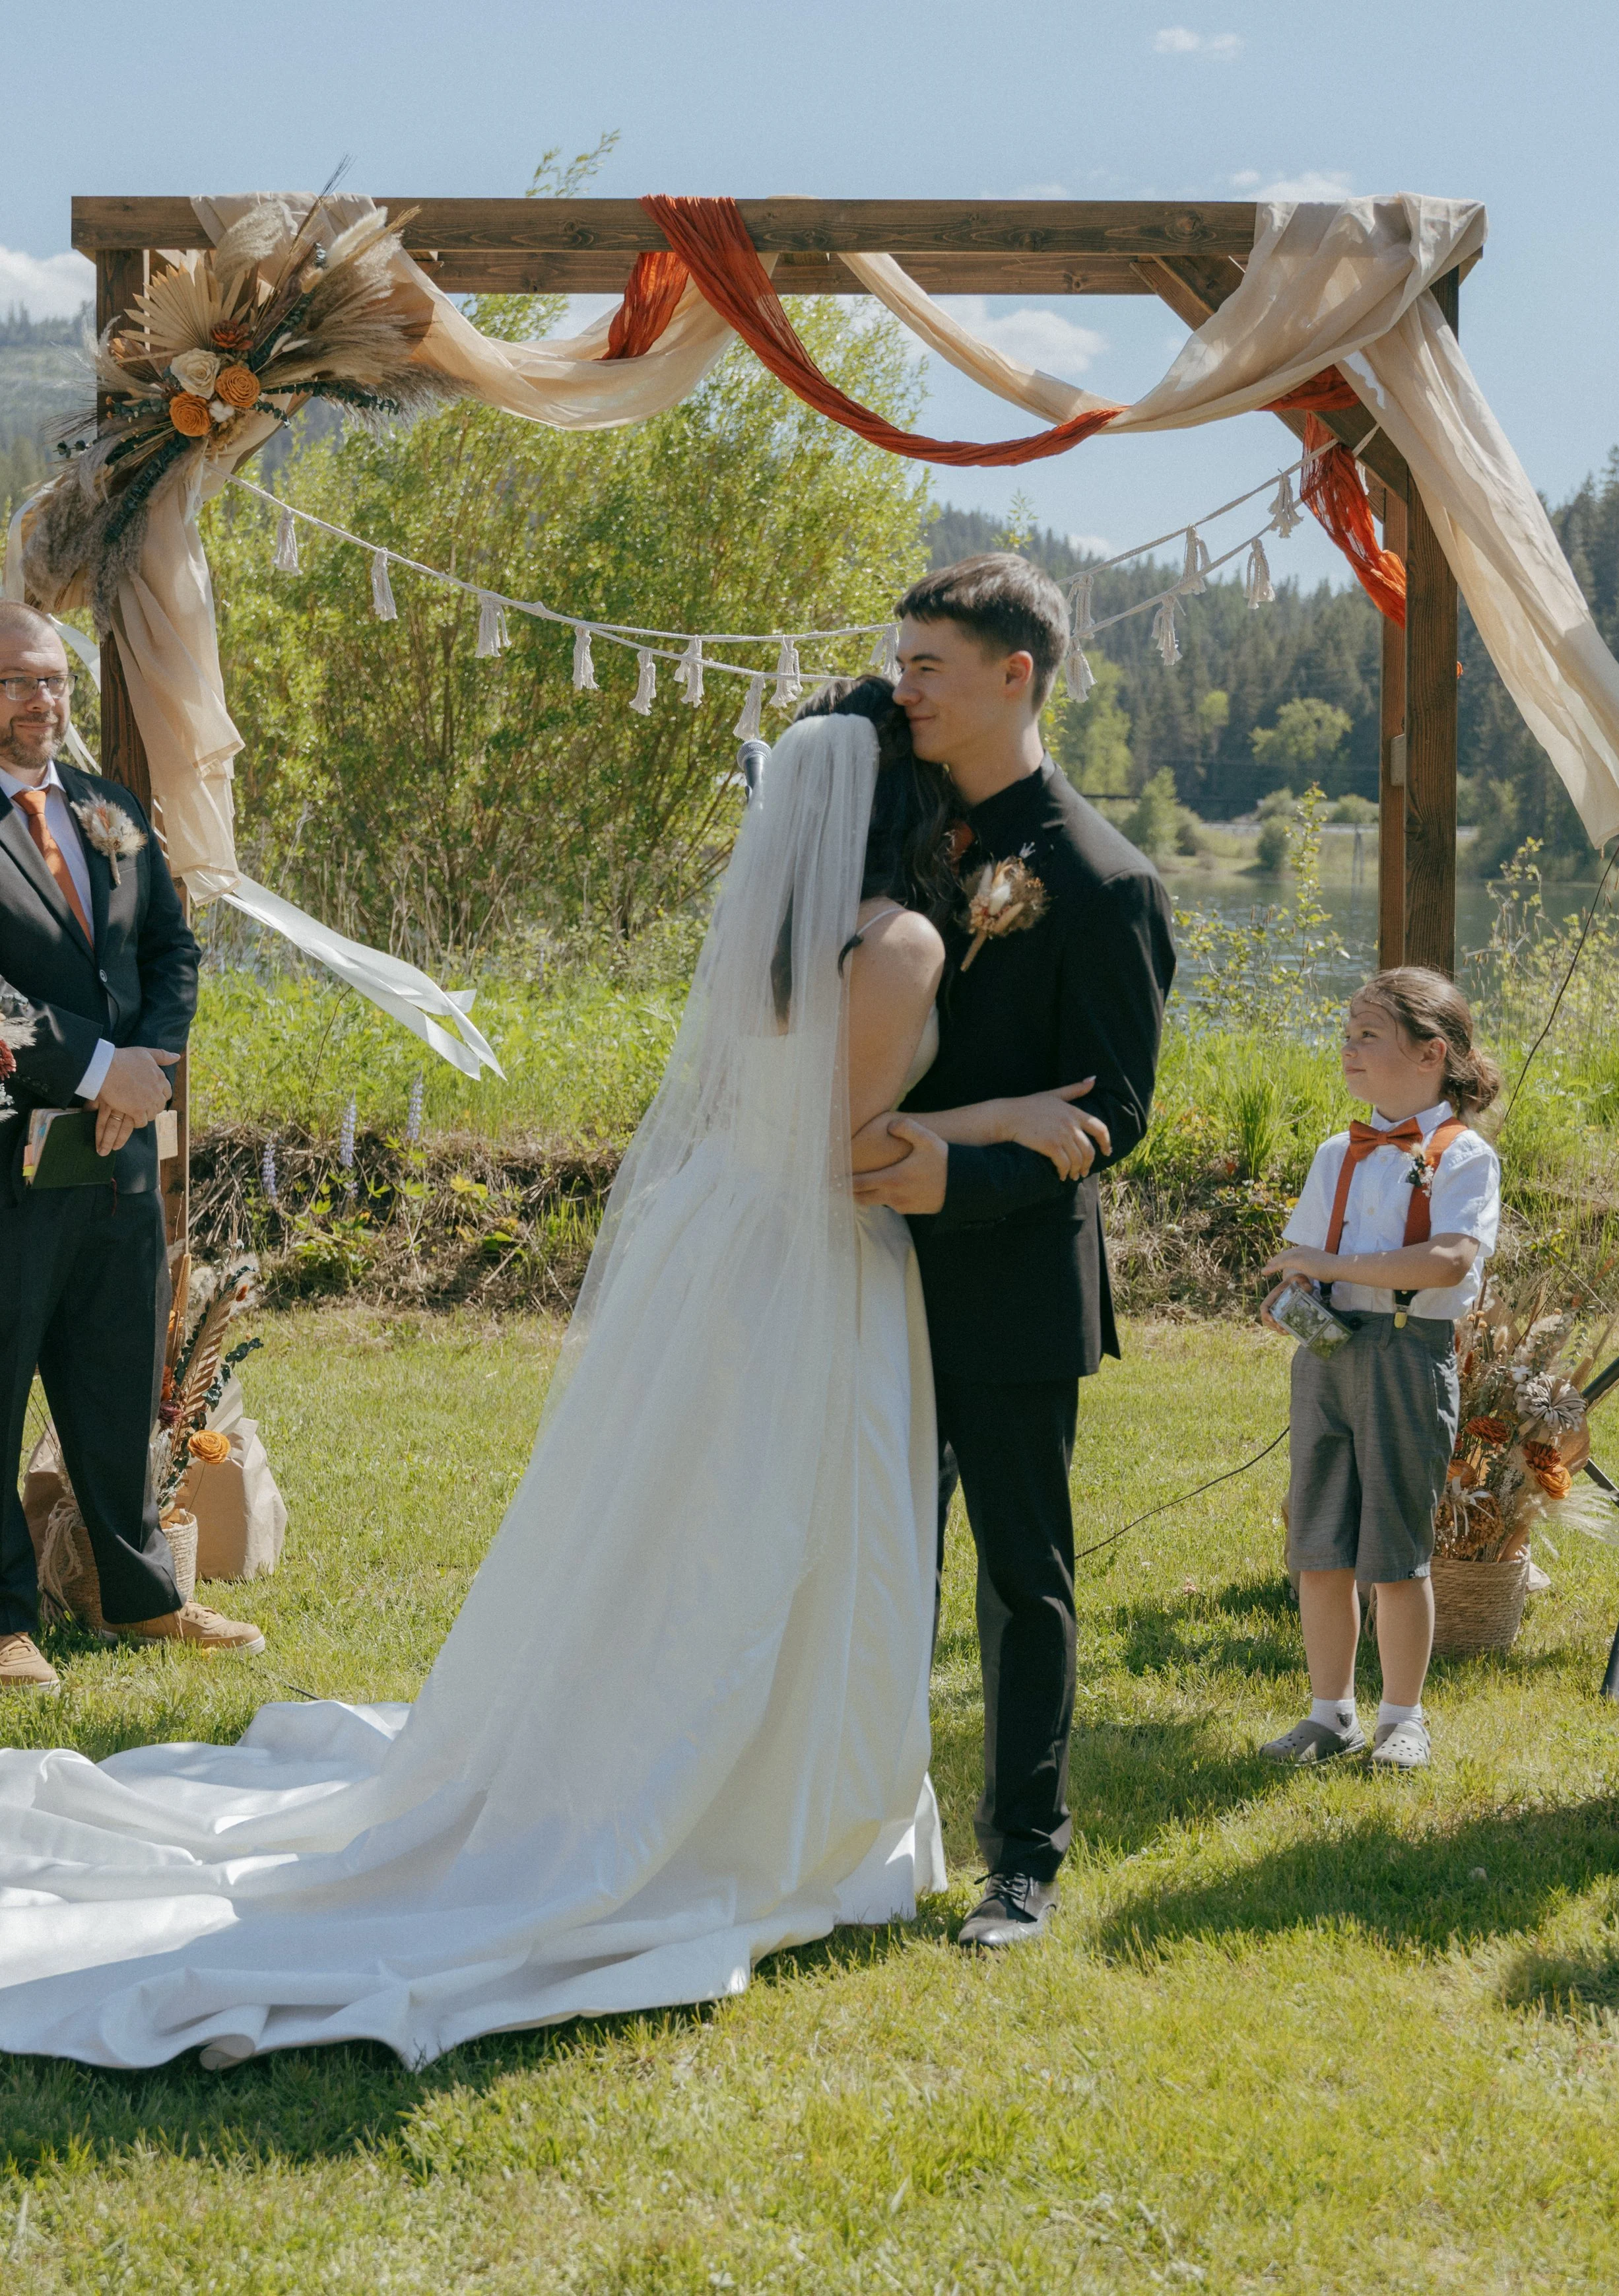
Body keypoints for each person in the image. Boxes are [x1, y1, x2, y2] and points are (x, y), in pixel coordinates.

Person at [0, 704, 1109, 2071]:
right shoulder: (899, 941)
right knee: (782, 1528)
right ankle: (762, 1800)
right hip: (809, 1260)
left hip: (725, 1244)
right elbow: (842, 1145)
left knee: (681, 1522)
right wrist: (1002, 1117)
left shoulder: (781, 930)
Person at [851, 556, 1176, 1949]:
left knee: (1017, 1576)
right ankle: (851, 1824)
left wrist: (955, 1171)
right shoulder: (893, 827)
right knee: (866, 1553)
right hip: (855, 1262)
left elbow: (1114, 1111)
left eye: (928, 665)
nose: (901, 686)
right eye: (901, 661)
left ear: (1014, 675)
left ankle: (1021, 1862)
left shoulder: (1105, 882)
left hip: (1005, 1279)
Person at [0, 603, 262, 1685]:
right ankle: (6, 1622)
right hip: (10, 1167)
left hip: (114, 1166)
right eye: (20, 682)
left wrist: (151, 1062)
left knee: (115, 1388)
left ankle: (141, 1596)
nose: (44, 701)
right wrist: (95, 1068)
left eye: (56, 680)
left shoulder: (106, 809)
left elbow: (172, 946)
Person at [1259, 968, 1502, 1773]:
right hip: (1327, 1356)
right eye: (1346, 1033)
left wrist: (1331, 1260)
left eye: (1368, 1034)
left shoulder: (1462, 1156)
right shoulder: (1339, 1151)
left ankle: (1404, 1716)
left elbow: (1447, 1261)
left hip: (1406, 1354)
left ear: (1431, 1052)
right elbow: (1307, 1256)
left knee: (1395, 1546)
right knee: (1318, 1537)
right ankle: (1330, 1713)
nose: (1347, 1047)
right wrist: (1299, 1288)